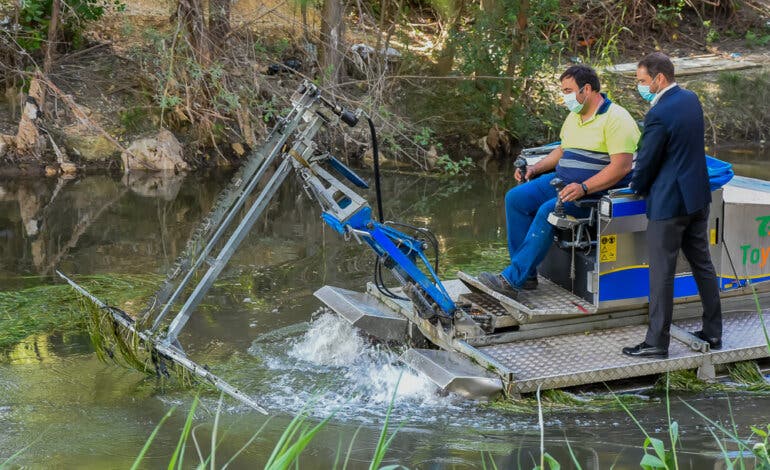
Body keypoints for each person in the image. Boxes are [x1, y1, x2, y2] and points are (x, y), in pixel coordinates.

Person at [477, 65, 640, 299]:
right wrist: (535, 168)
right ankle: (527, 274)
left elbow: (621, 167)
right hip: (561, 180)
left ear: (586, 89)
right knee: (516, 198)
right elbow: (562, 151)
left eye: (568, 90)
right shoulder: (575, 116)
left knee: (548, 210)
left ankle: (512, 279)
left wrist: (584, 187)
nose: (564, 96)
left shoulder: (617, 119)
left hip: (593, 192)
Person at [622, 52, 723, 359]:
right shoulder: (691, 99)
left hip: (669, 204)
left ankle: (656, 343)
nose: (639, 86)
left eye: (642, 81)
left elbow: (648, 159)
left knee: (661, 273)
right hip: (696, 198)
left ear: (659, 78)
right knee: (703, 265)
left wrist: (636, 187)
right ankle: (713, 333)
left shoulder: (658, 113)